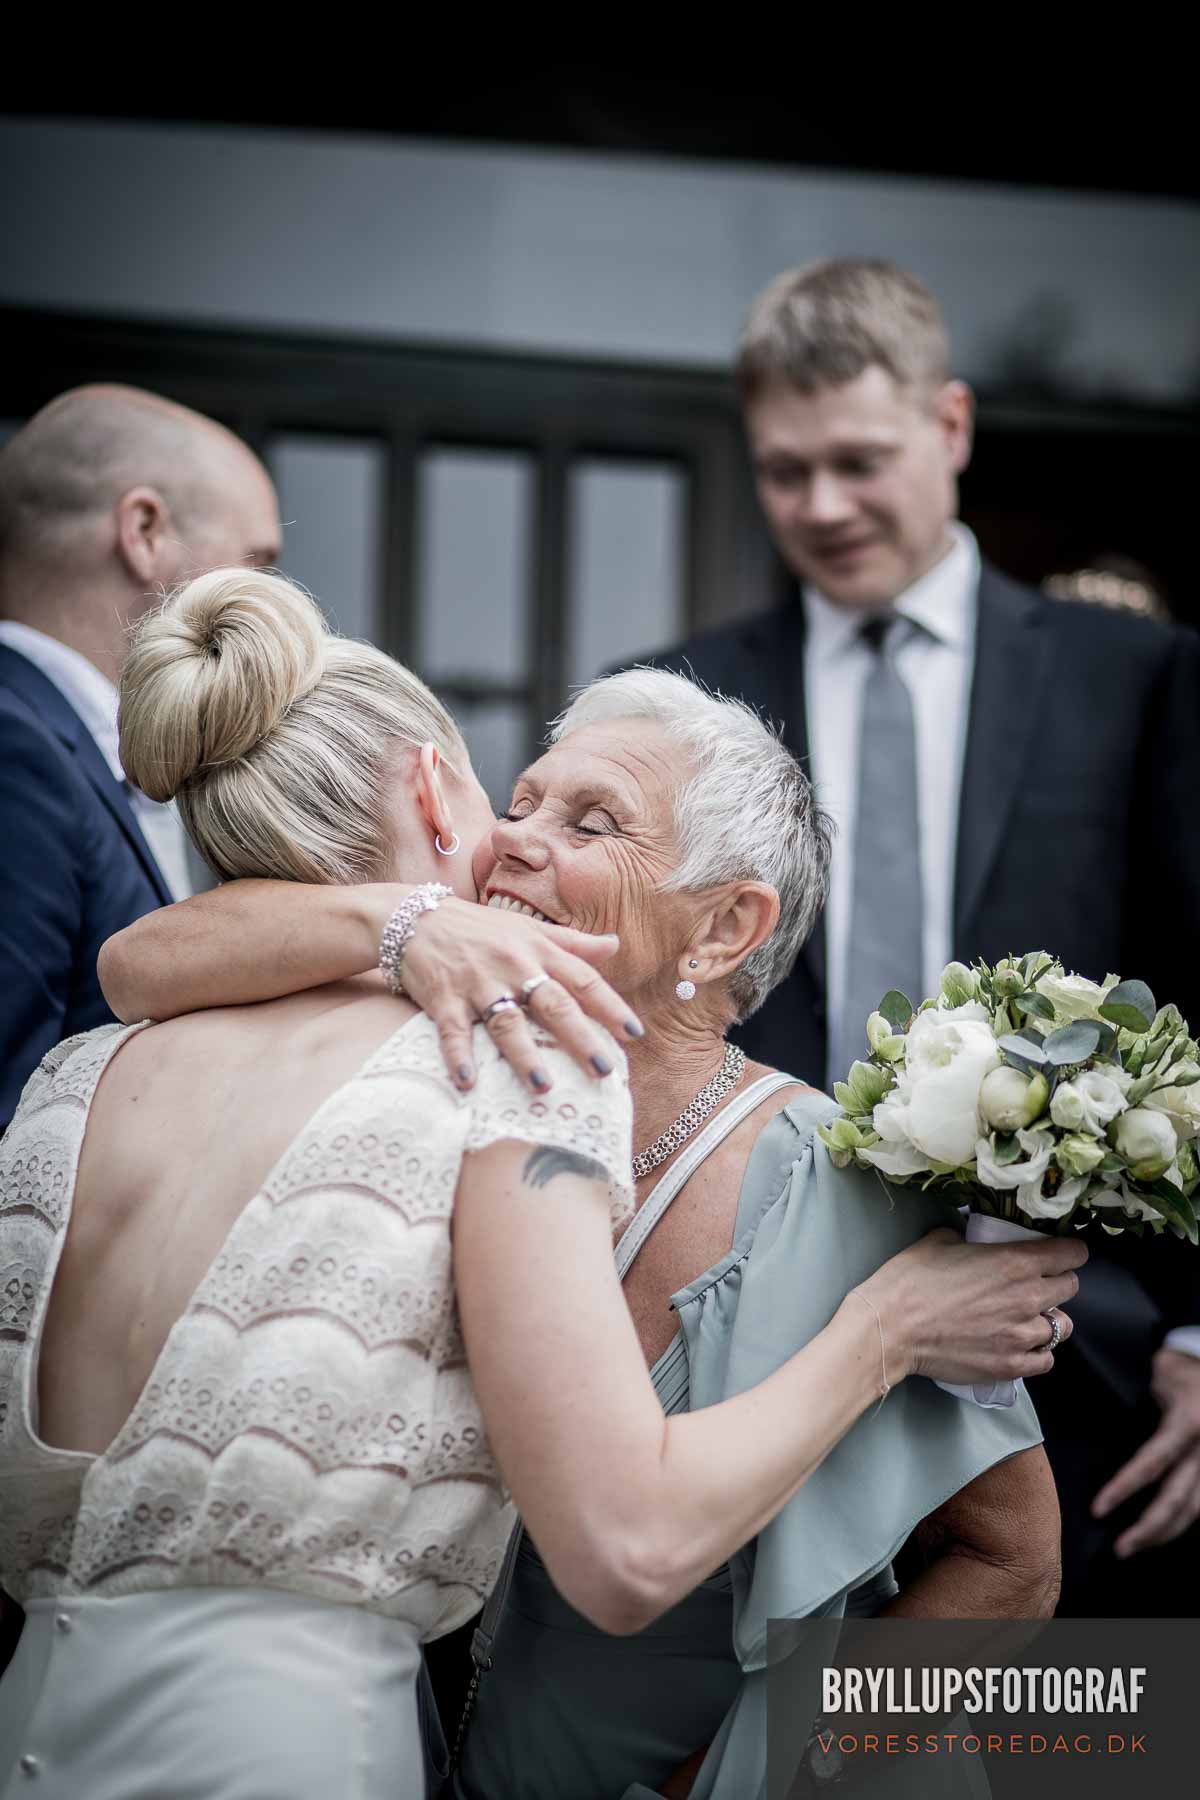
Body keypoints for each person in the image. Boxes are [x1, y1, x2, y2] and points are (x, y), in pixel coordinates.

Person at [94, 605, 1083, 1799]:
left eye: (591, 821)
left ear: (724, 927)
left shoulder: (830, 1179)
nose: (513, 842)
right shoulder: (444, 1066)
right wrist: (403, 925)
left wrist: (763, 1775)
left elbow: (1010, 1563)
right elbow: (144, 958)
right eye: (520, 802)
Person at [628, 257, 1200, 1616]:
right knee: (802, 1744)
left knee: (1072, 1748)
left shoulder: (1139, 679)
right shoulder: (689, 696)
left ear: (948, 427)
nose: (820, 506)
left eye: (858, 460)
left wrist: (1196, 1328)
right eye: (784, 471)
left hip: (1082, 1359)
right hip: (751, 1341)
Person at [0, 385, 283, 1130]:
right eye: (256, 560)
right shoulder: (16, 749)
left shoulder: (90, 753)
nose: (269, 598)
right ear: (144, 530)